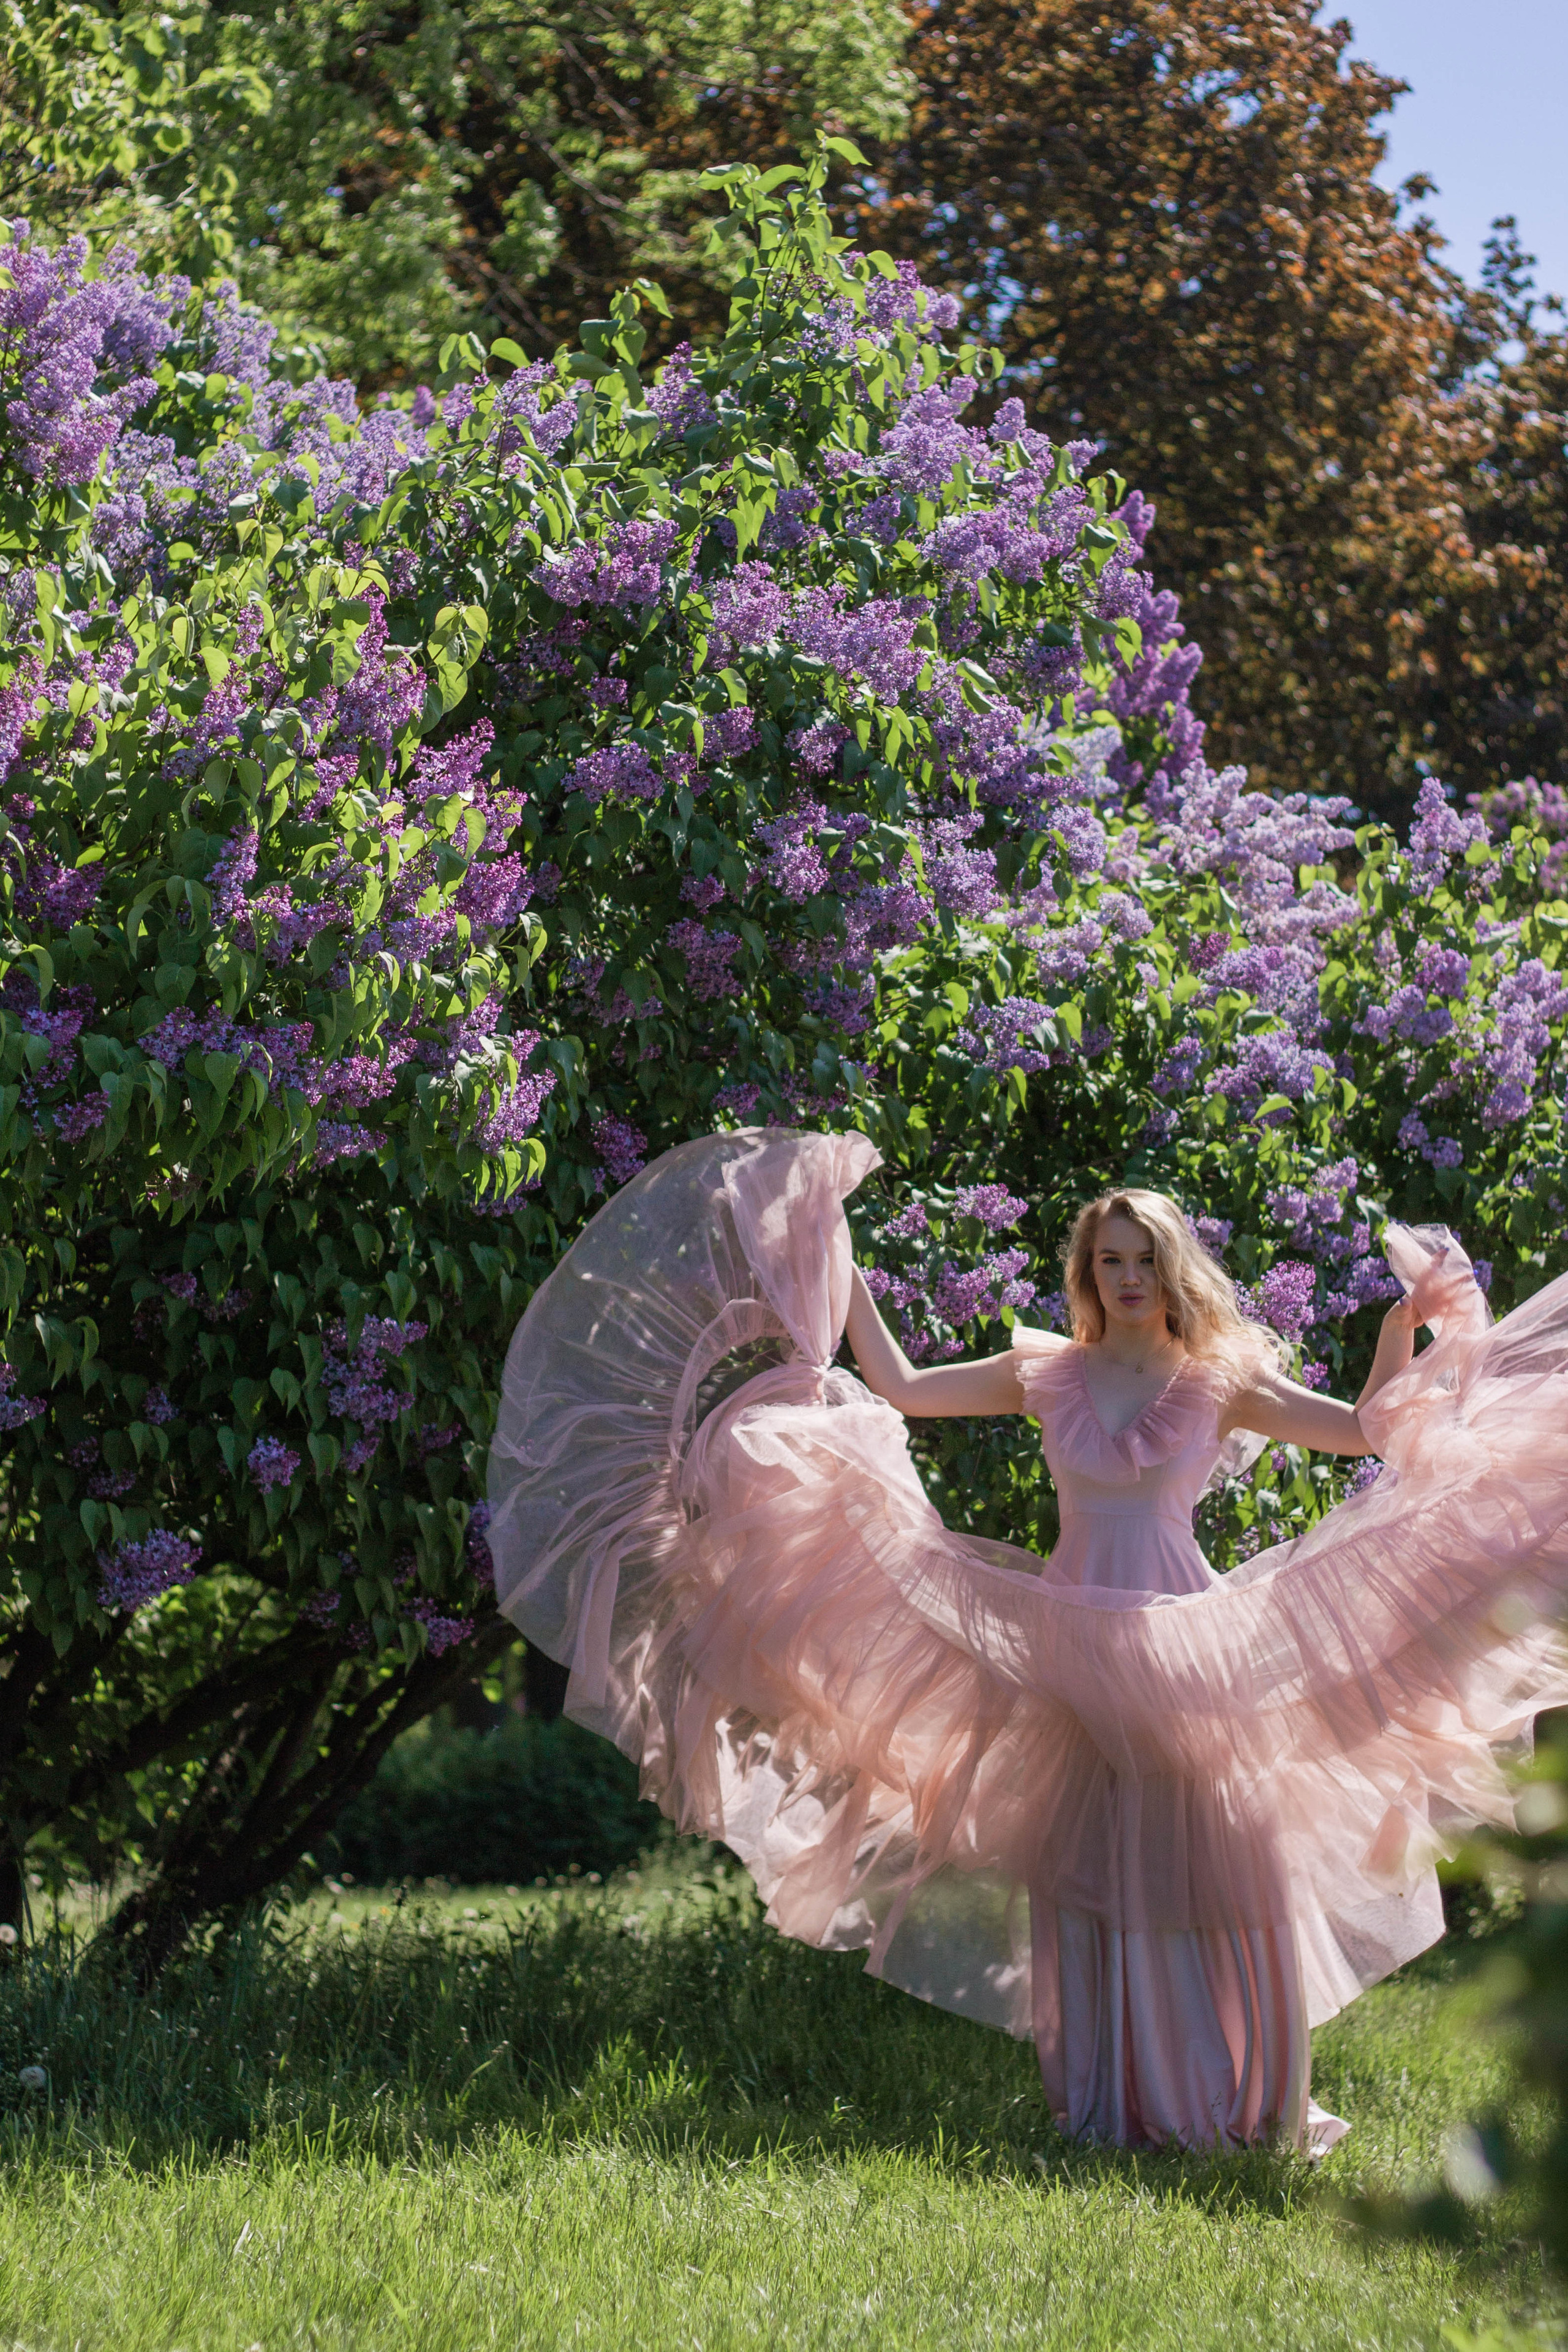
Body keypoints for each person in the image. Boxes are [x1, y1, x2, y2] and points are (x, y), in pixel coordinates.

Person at [486, 1128, 1568, 2154]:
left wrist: (1400, 1328)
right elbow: (904, 1390)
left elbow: (1364, 1432)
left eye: (1144, 1259)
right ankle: (1114, 2100)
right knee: (1093, 1865)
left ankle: (1243, 2095)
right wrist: (834, 1253)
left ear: (1173, 1269)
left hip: (1188, 1642)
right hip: (1068, 1646)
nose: (1127, 1278)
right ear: (1087, 1273)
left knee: (1214, 1858)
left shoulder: (1221, 1378)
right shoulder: (1046, 1371)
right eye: (1109, 1261)